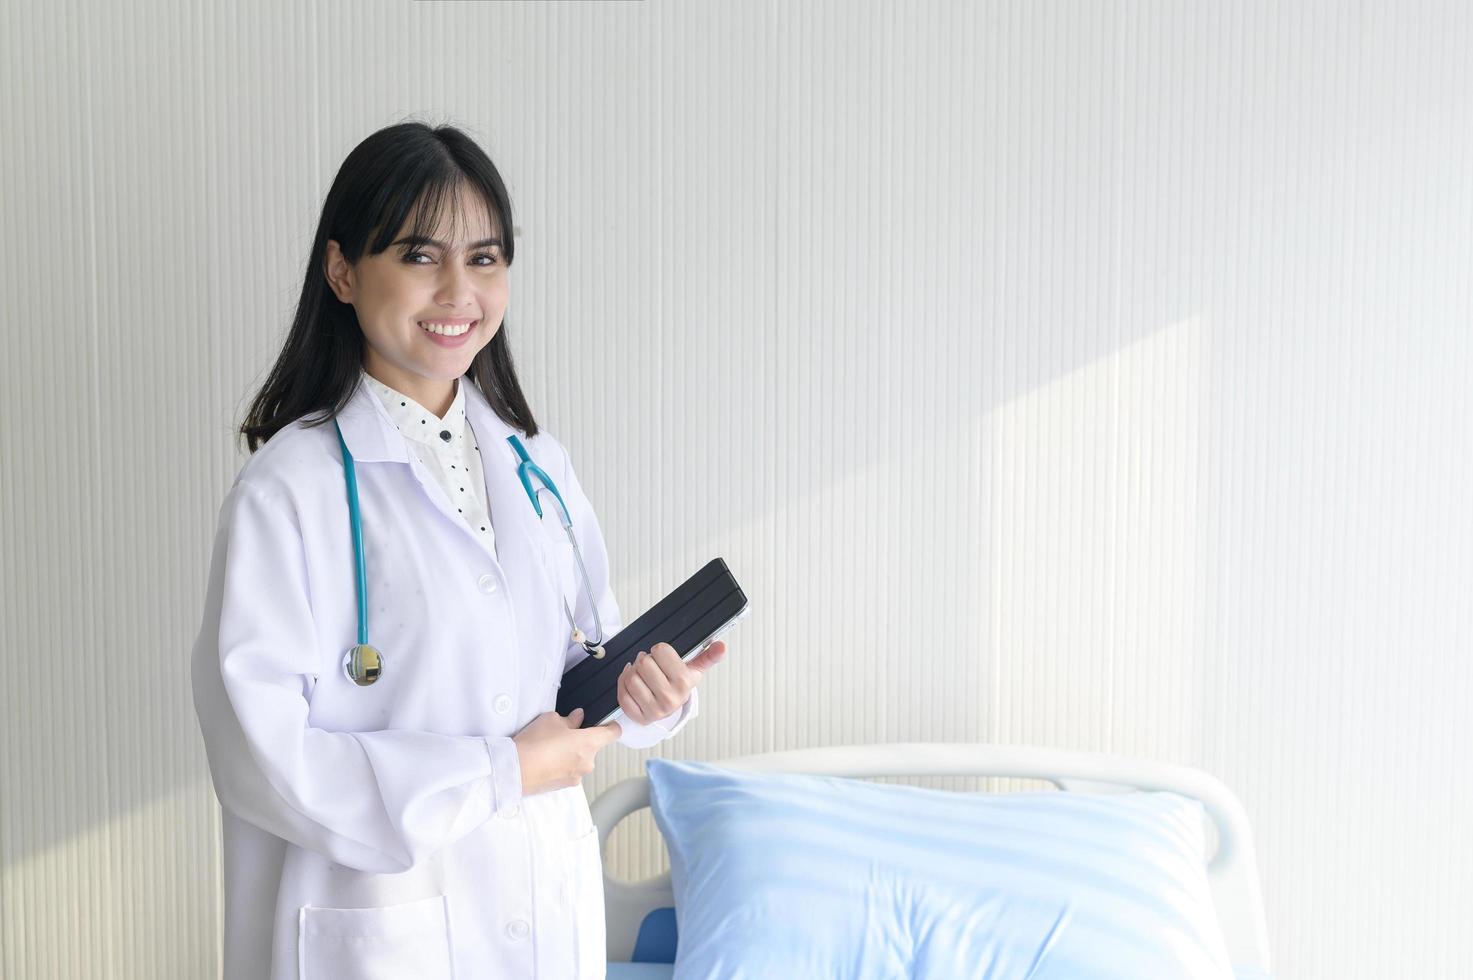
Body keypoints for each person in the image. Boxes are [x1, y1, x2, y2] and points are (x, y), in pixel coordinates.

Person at [190, 121, 728, 980]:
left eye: (484, 258)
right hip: (376, 925)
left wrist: (645, 698)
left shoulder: (536, 463)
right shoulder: (288, 489)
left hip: (541, 907)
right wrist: (498, 771)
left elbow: (573, 669)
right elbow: (262, 758)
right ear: (342, 271)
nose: (457, 291)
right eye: (417, 255)